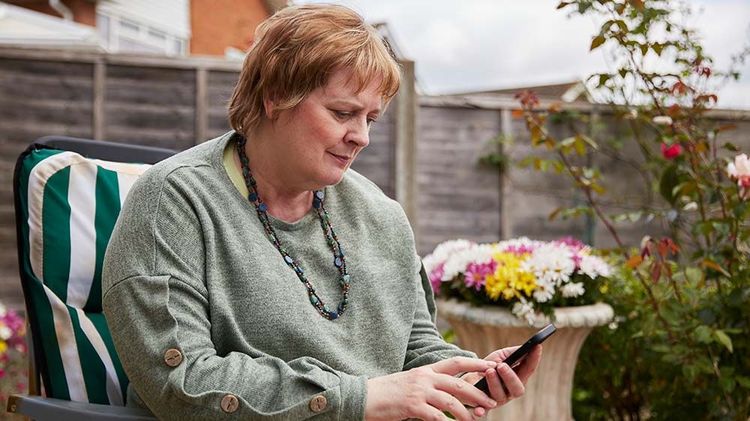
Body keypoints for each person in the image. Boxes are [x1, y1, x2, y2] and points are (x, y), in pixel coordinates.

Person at [102, 4, 541, 420]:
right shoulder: (175, 202)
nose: (361, 137)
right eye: (343, 112)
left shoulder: (380, 215)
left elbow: (415, 347)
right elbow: (181, 382)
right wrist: (360, 399)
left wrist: (465, 376)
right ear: (275, 97)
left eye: (371, 118)